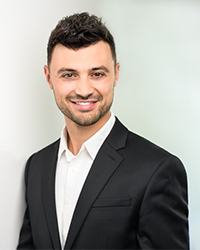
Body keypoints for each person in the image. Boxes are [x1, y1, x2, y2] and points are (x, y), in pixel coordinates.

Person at [17, 12, 189, 249]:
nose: (84, 89)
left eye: (97, 74)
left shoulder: (159, 170)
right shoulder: (36, 166)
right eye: (69, 75)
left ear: (115, 74)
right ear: (49, 78)